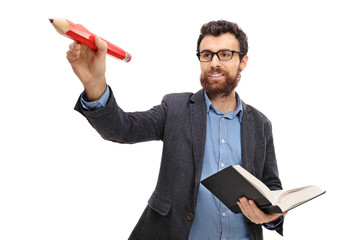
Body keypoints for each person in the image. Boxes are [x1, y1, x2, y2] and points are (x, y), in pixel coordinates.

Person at [67, 20, 287, 240]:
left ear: (243, 61)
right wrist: (95, 86)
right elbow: (122, 128)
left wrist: (271, 217)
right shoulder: (175, 109)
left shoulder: (260, 124)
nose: (214, 63)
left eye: (225, 54)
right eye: (207, 55)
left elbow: (271, 187)